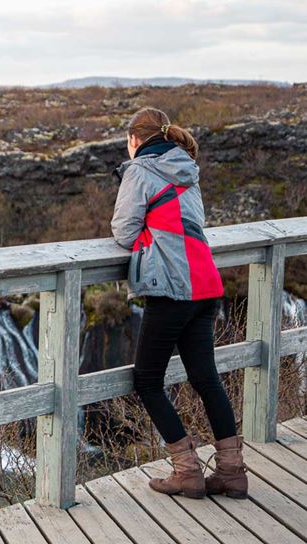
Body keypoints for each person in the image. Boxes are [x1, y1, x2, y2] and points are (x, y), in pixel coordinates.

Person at [111, 107, 247, 499]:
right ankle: (232, 472)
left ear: (134, 140)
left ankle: (186, 472)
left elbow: (123, 232)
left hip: (172, 288)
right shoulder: (187, 169)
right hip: (205, 283)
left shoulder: (139, 170)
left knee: (147, 381)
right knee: (205, 377)